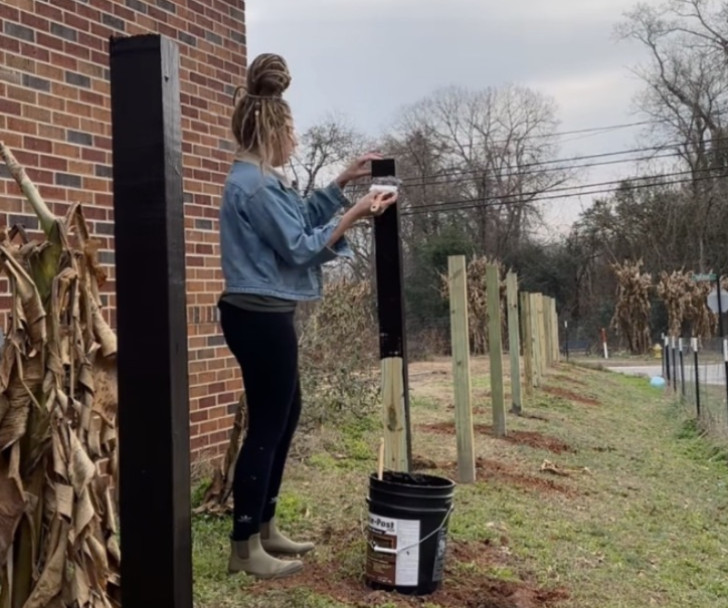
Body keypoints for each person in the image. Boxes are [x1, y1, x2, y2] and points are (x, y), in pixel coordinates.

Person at [217, 52, 397, 581]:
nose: (296, 140)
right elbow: (299, 247)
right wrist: (356, 213)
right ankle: (243, 546)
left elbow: (296, 220)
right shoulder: (252, 185)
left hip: (264, 313)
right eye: (292, 130)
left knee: (285, 415)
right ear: (274, 129)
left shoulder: (261, 181)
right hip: (259, 317)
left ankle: (265, 527)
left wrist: (343, 180)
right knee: (268, 426)